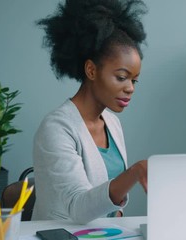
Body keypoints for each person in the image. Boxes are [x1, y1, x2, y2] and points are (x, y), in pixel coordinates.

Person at [32, 0, 148, 224]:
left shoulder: (112, 123)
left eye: (134, 80)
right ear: (91, 70)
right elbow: (78, 208)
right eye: (122, 77)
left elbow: (115, 197)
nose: (130, 88)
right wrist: (135, 171)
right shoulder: (56, 128)